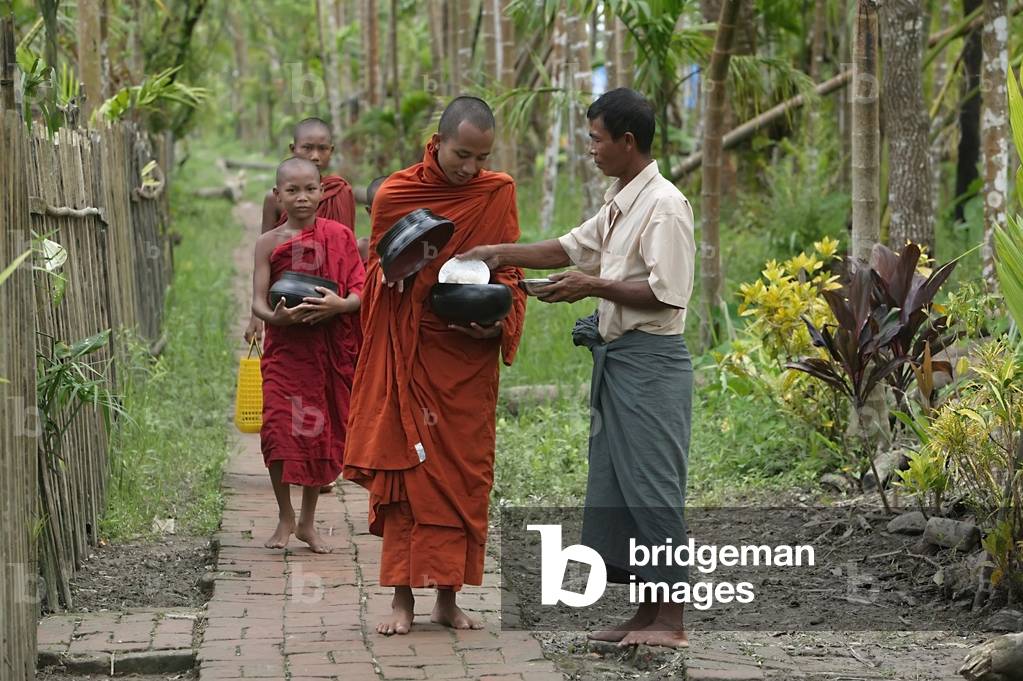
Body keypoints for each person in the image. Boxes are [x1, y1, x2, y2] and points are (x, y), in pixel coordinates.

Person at [460, 88, 696, 648]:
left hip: (653, 365)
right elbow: (569, 248)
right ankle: (644, 614)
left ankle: (672, 622)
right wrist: (497, 254)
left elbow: (669, 294)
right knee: (622, 487)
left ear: (627, 141)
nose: (589, 148)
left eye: (595, 138)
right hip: (620, 365)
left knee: (655, 489)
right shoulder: (622, 200)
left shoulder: (665, 205)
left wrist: (591, 286)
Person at [342, 96, 526, 635]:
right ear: (438, 142)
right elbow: (377, 275)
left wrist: (498, 322)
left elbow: (509, 271)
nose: (470, 168)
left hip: (467, 361)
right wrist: (400, 271)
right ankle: (402, 600)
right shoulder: (399, 193)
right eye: (461, 155)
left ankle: (448, 596)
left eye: (481, 157)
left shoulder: (498, 192)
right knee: (407, 475)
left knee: (465, 477)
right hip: (413, 354)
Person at [251, 157, 365, 554]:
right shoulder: (268, 243)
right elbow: (258, 303)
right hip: (285, 351)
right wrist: (275, 317)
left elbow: (359, 289)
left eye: (310, 190)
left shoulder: (341, 237)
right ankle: (284, 516)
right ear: (277, 195)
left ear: (321, 191)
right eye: (292, 191)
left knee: (320, 433)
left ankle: (308, 522)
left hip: (327, 350)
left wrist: (341, 306)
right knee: (279, 431)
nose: (302, 198)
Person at [246, 117, 357, 346]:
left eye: (322, 149)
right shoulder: (274, 199)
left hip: (332, 305)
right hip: (287, 298)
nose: (315, 156)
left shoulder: (341, 192)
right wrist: (257, 315)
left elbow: (348, 256)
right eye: (307, 148)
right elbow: (266, 257)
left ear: (331, 151)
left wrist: (343, 304)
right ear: (293, 149)